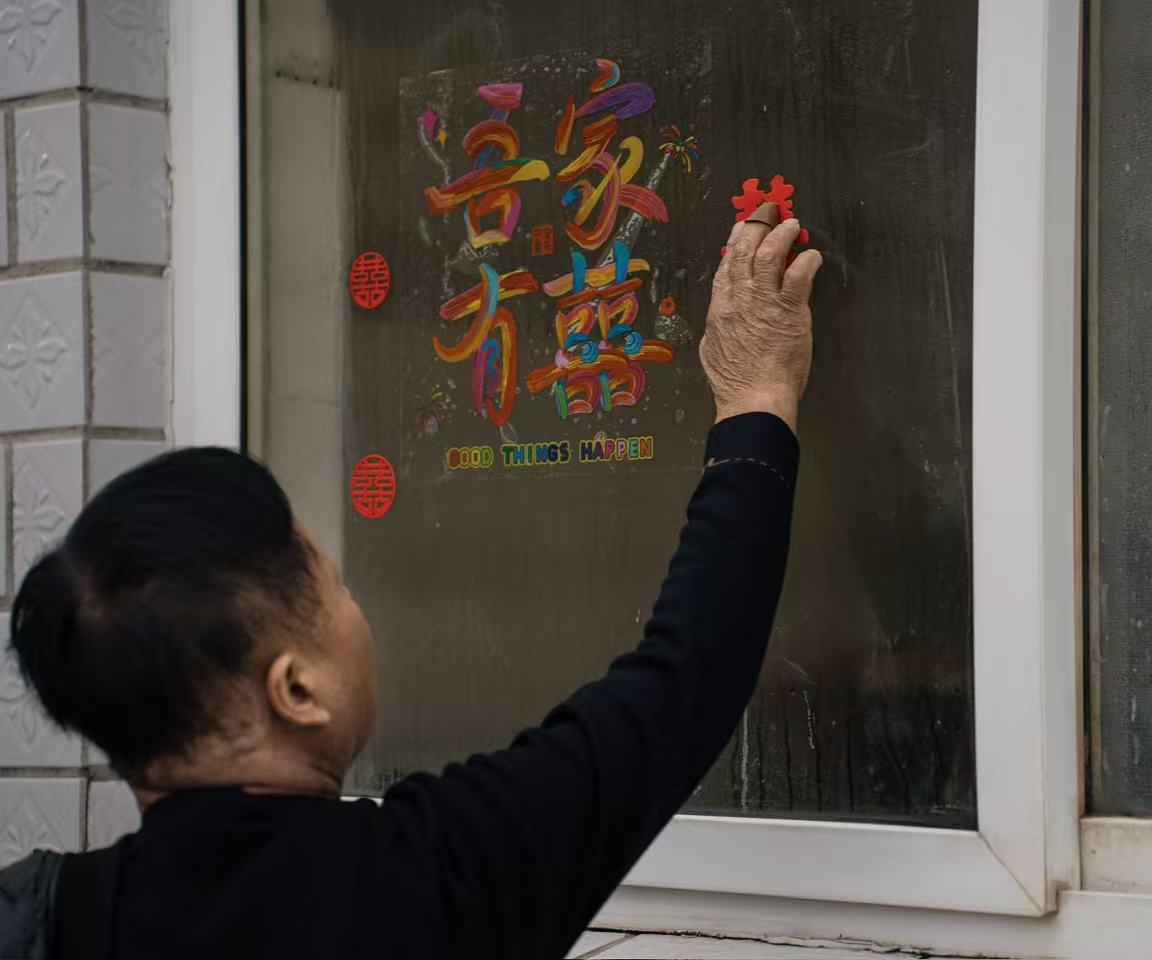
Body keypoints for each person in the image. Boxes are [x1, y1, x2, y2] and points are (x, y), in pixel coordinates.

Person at [0, 206, 821, 960]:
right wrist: (756, 395)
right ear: (296, 689)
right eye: (333, 585)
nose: (354, 605)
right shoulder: (436, 879)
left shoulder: (36, 918)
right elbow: (687, 672)